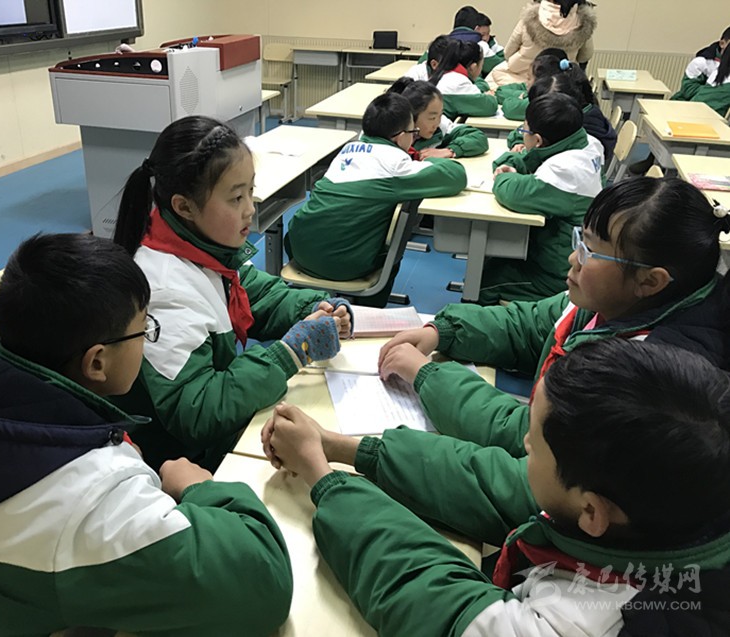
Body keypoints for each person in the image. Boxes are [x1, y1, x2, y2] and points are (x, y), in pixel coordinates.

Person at [0, 233, 294, 636]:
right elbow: (262, 582)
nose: (148, 339)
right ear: (97, 362)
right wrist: (200, 487)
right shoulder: (89, 499)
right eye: (144, 329)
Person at [261, 339, 730, 636]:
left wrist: (323, 477)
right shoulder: (665, 500)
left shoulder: (597, 621)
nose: (523, 445)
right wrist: (341, 448)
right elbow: (490, 481)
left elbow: (433, 601)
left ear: (592, 512)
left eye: (534, 444)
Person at [377, 177, 730, 455]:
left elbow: (534, 435)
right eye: (581, 241)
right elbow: (528, 325)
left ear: (650, 281)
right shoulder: (610, 300)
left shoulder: (646, 374)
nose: (574, 258)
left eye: (591, 251)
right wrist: (443, 331)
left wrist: (427, 376)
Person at [111, 116, 351, 471]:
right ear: (184, 207)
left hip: (213, 429)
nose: (250, 208)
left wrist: (317, 306)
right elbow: (196, 412)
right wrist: (289, 352)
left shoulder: (204, 246)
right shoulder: (164, 289)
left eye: (250, 191)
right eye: (237, 197)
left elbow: (260, 295)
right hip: (183, 462)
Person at [284, 92, 467, 306]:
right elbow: (456, 176)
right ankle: (369, 311)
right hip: (343, 265)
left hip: (298, 251)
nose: (413, 138)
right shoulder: (395, 163)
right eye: (413, 133)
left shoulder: (347, 150)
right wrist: (429, 158)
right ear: (400, 137)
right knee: (393, 251)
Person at [481, 92, 604, 304]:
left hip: (560, 273)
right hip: (566, 252)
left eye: (524, 131)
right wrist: (516, 163)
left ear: (537, 140)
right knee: (495, 259)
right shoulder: (587, 143)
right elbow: (532, 160)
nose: (522, 135)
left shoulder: (565, 171)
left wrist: (503, 175)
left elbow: (512, 194)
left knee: (487, 280)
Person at [508, 68, 617, 160]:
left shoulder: (573, 130)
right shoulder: (576, 116)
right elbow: (524, 130)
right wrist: (520, 142)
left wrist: (523, 153)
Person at [487, 0, 597, 89]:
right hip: (559, 85)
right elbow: (585, 56)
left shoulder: (530, 18)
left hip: (517, 81)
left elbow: (508, 53)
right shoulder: (583, 24)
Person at [389, 77, 489, 159]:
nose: (437, 123)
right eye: (432, 118)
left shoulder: (441, 127)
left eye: (440, 115)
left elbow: (478, 137)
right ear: (412, 116)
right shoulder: (390, 133)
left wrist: (449, 150)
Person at [430, 39, 498, 119]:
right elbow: (489, 106)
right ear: (473, 67)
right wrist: (490, 96)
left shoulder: (448, 74)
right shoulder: (458, 82)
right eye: (481, 65)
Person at [496, 47, 568, 121]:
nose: (526, 82)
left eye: (529, 78)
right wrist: (524, 94)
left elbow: (510, 108)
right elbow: (501, 91)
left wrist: (521, 97)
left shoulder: (544, 102)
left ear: (540, 81)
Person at [671, 37, 730, 115]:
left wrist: (706, 89)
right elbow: (688, 90)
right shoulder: (701, 61)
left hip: (699, 109)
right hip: (685, 102)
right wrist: (706, 89)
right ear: (722, 43)